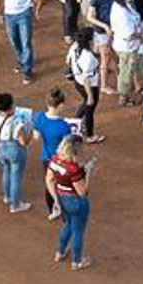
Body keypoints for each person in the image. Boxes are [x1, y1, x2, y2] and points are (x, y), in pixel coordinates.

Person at [47, 134, 92, 270]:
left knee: (68, 225)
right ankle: (77, 261)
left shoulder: (54, 161)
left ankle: (60, 253)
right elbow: (82, 192)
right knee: (78, 230)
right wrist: (88, 173)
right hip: (76, 202)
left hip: (61, 198)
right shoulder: (74, 170)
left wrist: (55, 199)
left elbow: (49, 179)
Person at [33, 90, 80, 219]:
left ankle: (52, 210)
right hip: (60, 161)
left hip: (46, 158)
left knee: (49, 183)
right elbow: (66, 147)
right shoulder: (63, 126)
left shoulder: (40, 117)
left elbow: (36, 137)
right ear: (59, 106)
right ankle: (64, 211)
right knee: (63, 185)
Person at [0, 93, 34, 213]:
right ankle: (15, 205)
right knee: (16, 177)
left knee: (6, 171)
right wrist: (30, 132)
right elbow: (23, 142)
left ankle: (7, 197)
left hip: (0, 148)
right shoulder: (17, 121)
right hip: (14, 149)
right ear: (11, 105)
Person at [108, 0, 143, 107]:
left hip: (127, 45)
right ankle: (123, 97)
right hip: (127, 47)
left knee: (129, 69)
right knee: (125, 73)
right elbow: (130, 34)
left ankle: (134, 88)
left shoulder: (122, 5)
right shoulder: (121, 13)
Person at [67, 26, 104, 143]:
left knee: (85, 104)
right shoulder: (88, 57)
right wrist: (90, 95)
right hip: (88, 85)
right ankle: (90, 135)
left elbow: (67, 60)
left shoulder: (74, 46)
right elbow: (86, 78)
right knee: (89, 109)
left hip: (78, 82)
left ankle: (76, 123)